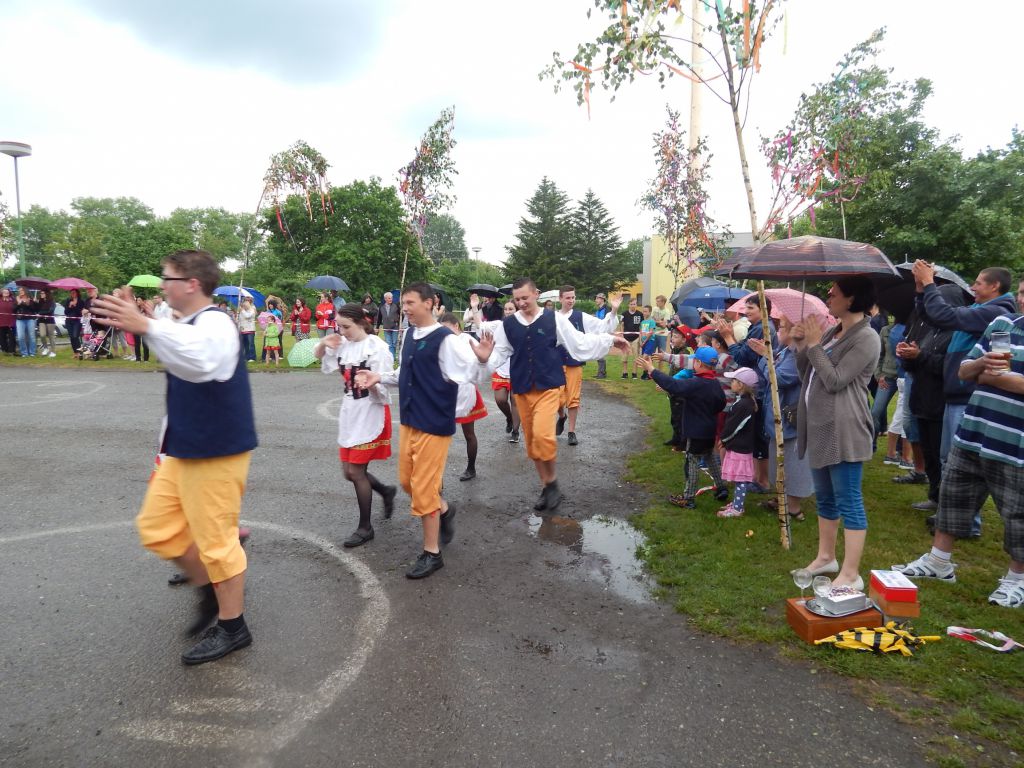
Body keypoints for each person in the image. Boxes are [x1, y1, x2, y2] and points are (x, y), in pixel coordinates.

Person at [90, 249, 258, 665]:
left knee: (218, 544)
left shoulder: (216, 322)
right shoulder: (182, 322)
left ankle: (233, 627)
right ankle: (209, 588)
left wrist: (146, 324)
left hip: (216, 451)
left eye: (167, 278)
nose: (162, 285)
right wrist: (144, 321)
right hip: (183, 447)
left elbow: (203, 361)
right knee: (158, 528)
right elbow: (177, 349)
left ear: (191, 284)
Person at [895, 288, 1024, 609]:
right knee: (953, 496)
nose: (1022, 299)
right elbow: (964, 371)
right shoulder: (1002, 325)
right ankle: (939, 561)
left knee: (1018, 513)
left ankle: (1017, 579)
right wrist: (982, 364)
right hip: (974, 431)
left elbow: (993, 379)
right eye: (1022, 292)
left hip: (1015, 443)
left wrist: (989, 378)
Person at [354, 282, 477, 579]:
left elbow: (470, 372)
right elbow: (404, 373)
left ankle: (432, 553)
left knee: (423, 488)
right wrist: (378, 377)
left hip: (434, 424)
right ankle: (444, 509)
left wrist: (483, 359)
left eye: (410, 303)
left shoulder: (446, 339)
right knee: (407, 481)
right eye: (404, 303)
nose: (405, 308)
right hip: (410, 420)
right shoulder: (409, 334)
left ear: (429, 303)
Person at [473, 278, 628, 511]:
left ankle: (552, 482)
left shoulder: (554, 319)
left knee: (544, 437)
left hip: (548, 388)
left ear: (536, 294)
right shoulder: (508, 325)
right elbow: (499, 355)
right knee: (533, 445)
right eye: (517, 299)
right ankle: (547, 486)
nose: (521, 303)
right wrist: (485, 358)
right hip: (522, 390)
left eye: (525, 298)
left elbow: (579, 342)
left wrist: (611, 339)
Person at [912, 262, 1017, 536]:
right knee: (950, 459)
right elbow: (936, 318)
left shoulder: (996, 313)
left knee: (963, 463)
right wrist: (921, 290)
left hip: (966, 397)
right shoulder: (981, 311)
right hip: (955, 394)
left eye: (979, 283)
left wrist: (930, 282)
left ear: (995, 286)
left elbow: (945, 315)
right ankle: (954, 517)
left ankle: (966, 523)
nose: (972, 287)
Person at [791, 277, 880, 590]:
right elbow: (808, 373)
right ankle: (826, 557)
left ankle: (851, 574)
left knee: (848, 500)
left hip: (844, 429)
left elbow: (835, 380)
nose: (828, 296)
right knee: (826, 498)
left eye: (834, 292)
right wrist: (801, 344)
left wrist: (815, 345)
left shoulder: (867, 338)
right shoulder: (833, 331)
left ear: (851, 298)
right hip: (820, 426)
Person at [315, 304, 397, 547]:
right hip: (350, 410)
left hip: (370, 410)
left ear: (361, 322)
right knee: (348, 472)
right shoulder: (343, 343)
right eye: (339, 326)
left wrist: (371, 384)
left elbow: (385, 388)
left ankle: (365, 527)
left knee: (356, 472)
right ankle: (385, 491)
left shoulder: (377, 347)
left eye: (346, 326)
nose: (342, 331)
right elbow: (320, 358)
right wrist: (323, 343)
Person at [898, 286, 962, 514]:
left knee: (942, 456)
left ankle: (946, 504)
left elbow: (949, 368)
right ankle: (935, 496)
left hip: (940, 404)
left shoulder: (957, 334)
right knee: (929, 454)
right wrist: (907, 355)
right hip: (922, 401)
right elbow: (917, 365)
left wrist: (920, 355)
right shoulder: (931, 330)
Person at [637, 346, 727, 507]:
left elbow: (673, 385)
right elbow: (721, 403)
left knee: (692, 461)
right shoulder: (715, 383)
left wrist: (652, 370)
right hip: (710, 430)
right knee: (710, 457)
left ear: (698, 363)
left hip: (696, 432)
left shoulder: (696, 383)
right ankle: (721, 488)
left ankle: (688, 498)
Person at [749, 319, 812, 521]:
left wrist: (764, 357)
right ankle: (781, 499)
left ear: (794, 331)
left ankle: (793, 508)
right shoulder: (785, 350)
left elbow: (779, 378)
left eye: (782, 327)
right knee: (779, 460)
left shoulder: (798, 354)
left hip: (790, 418)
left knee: (793, 463)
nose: (777, 331)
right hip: (779, 417)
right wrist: (767, 355)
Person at [718, 295, 779, 490]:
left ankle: (762, 481)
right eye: (746, 307)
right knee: (757, 434)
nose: (746, 311)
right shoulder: (757, 327)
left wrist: (728, 337)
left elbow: (742, 357)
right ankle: (758, 478)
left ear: (764, 309)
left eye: (751, 307)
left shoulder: (762, 328)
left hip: (758, 388)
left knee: (759, 434)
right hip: (757, 386)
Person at [554, 285, 621, 445]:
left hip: (574, 363)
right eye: (568, 297)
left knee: (573, 398)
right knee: (556, 398)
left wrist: (613, 311)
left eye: (573, 297)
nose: (571, 300)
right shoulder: (553, 317)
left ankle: (571, 432)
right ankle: (561, 416)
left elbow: (602, 327)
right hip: (555, 363)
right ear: (560, 298)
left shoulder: (580, 316)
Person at [440, 312, 488, 481]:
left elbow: (478, 364)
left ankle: (471, 468)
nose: (445, 333)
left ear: (456, 326)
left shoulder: (467, 340)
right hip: (445, 392)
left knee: (469, 433)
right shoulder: (443, 343)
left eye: (447, 329)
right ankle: (436, 475)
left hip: (465, 392)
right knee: (439, 436)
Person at [717, 368, 760, 518]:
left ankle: (738, 509)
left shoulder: (744, 405)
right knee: (738, 477)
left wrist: (724, 439)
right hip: (738, 445)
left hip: (740, 447)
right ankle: (736, 503)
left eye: (734, 380)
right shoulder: (744, 401)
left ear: (741, 385)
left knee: (740, 478)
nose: (731, 382)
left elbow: (734, 425)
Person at [620, 298, 643, 378]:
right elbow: (622, 325)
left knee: (636, 356)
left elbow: (641, 327)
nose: (633, 305)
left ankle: (634, 373)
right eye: (631, 304)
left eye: (634, 304)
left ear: (636, 304)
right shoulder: (624, 314)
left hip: (636, 338)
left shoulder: (640, 314)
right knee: (625, 357)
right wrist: (622, 336)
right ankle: (624, 373)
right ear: (628, 305)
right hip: (626, 338)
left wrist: (640, 338)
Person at [14, 287, 37, 358]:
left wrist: (29, 303)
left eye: (22, 290)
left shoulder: (31, 299)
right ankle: (24, 353)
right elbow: (13, 310)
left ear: (25, 291)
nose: (20, 291)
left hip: (30, 319)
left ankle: (32, 352)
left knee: (31, 336)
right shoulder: (17, 299)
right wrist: (18, 303)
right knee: (20, 337)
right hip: (20, 320)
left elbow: (34, 310)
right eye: (19, 290)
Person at [651, 295, 673, 371]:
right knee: (652, 353)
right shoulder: (654, 309)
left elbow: (664, 325)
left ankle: (659, 372)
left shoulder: (666, 311)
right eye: (656, 301)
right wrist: (659, 321)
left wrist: (656, 321)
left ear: (663, 302)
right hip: (654, 333)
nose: (656, 303)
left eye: (658, 301)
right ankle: (650, 371)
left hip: (663, 334)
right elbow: (651, 320)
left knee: (661, 354)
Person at [376, 291, 400, 357]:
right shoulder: (381, 307)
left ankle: (393, 356)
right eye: (389, 298)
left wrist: (399, 323)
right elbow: (379, 318)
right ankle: (392, 357)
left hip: (395, 327)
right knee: (389, 343)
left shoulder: (396, 305)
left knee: (394, 343)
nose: (391, 299)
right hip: (386, 327)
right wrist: (377, 327)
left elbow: (401, 315)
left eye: (391, 298)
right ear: (385, 299)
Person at [35, 288, 57, 357]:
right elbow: (36, 310)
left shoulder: (52, 302)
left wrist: (40, 313)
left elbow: (50, 311)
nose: (41, 294)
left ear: (47, 294)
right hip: (41, 320)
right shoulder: (40, 301)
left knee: (51, 336)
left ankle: (53, 351)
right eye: (40, 293)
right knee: (42, 335)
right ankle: (45, 348)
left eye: (42, 293)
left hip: (50, 320)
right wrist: (35, 303)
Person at [593, 293, 610, 379]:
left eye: (597, 298)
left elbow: (608, 321)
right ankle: (601, 372)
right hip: (598, 334)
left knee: (600, 353)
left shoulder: (607, 309)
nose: (596, 300)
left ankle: (602, 373)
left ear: (602, 299)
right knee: (598, 352)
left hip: (604, 334)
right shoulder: (598, 310)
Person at [64, 289, 85, 359]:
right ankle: (75, 353)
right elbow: (66, 312)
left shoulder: (81, 301)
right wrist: (70, 306)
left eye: (74, 293)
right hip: (69, 321)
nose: (72, 294)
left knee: (75, 336)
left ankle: (79, 352)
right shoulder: (68, 301)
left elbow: (80, 313)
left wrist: (75, 305)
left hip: (77, 321)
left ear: (77, 293)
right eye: (71, 293)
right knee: (71, 337)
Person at [638, 305, 657, 377]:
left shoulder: (652, 321)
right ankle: (646, 373)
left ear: (650, 312)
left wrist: (644, 341)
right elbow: (640, 332)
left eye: (646, 311)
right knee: (647, 358)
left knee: (645, 356)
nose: (644, 313)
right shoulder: (642, 322)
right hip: (643, 342)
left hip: (650, 341)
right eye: (643, 311)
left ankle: (650, 373)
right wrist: (640, 341)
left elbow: (650, 333)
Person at [237, 297, 257, 362]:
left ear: (250, 302)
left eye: (248, 301)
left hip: (250, 328)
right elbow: (240, 319)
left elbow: (247, 316)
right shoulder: (242, 308)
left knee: (251, 344)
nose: (246, 302)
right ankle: (247, 357)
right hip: (243, 329)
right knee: (245, 344)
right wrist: (238, 314)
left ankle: (252, 357)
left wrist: (242, 310)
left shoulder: (253, 308)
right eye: (245, 300)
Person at [132, 295, 151, 362]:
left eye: (139, 300)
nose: (138, 301)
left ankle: (146, 359)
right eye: (137, 300)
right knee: (137, 343)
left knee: (145, 343)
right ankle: (138, 358)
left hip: (144, 327)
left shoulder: (147, 309)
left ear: (143, 301)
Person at [0, 287, 15, 355]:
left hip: (11, 321)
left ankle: (11, 351)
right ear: (2, 293)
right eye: (4, 292)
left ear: (9, 293)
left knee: (11, 337)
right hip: (1, 322)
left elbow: (16, 309)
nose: (6, 293)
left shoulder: (13, 300)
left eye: (7, 292)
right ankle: (4, 350)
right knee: (2, 337)